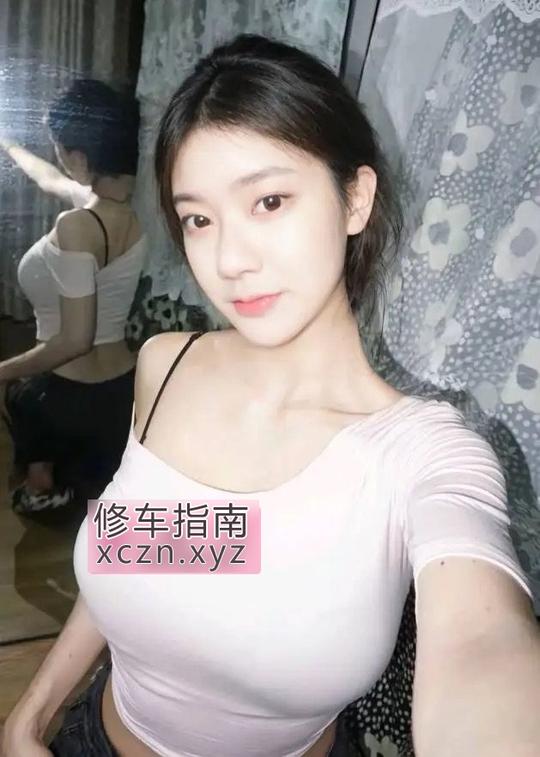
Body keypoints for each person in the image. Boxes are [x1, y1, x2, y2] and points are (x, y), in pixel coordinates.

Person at [2, 34, 540, 757]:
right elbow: (139, 559)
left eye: (270, 200)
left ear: (355, 198)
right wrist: (30, 715)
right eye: (199, 219)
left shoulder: (425, 454)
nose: (228, 259)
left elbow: (483, 646)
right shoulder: (168, 365)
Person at [0, 79, 145, 514]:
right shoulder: (130, 210)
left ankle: (44, 487)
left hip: (69, 398)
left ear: (80, 157)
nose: (58, 159)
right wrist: (9, 144)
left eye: (60, 149)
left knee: (20, 393)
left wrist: (2, 370)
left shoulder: (77, 225)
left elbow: (76, 340)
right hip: (123, 390)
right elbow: (49, 179)